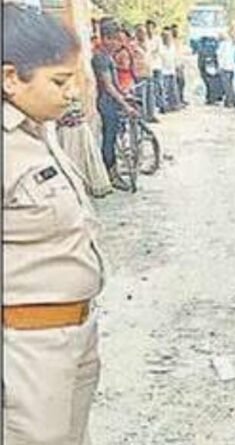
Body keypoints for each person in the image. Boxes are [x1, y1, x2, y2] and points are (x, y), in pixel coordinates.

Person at [3, 5, 107, 444]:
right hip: (27, 347)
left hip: (74, 335)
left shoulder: (38, 134)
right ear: (11, 79)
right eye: (59, 82)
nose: (72, 93)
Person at [92, 19, 138, 191]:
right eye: (116, 40)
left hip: (112, 102)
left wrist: (125, 96)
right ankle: (111, 175)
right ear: (106, 39)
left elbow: (115, 83)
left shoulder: (107, 57)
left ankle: (112, 172)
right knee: (109, 141)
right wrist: (125, 105)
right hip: (106, 104)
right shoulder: (100, 58)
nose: (119, 44)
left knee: (112, 138)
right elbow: (108, 86)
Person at [133, 24, 157, 122]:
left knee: (150, 95)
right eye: (140, 32)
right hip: (139, 73)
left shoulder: (148, 44)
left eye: (144, 32)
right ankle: (142, 117)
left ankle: (151, 115)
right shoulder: (133, 45)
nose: (143, 34)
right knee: (141, 96)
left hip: (148, 72)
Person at [145, 19, 165, 114]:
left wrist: (151, 52)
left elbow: (159, 51)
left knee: (159, 85)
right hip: (147, 66)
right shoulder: (144, 39)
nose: (149, 29)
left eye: (151, 28)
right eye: (147, 27)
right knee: (150, 87)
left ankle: (162, 104)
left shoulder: (157, 39)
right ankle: (151, 107)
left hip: (157, 65)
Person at [160, 27, 179, 112]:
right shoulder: (161, 47)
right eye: (165, 36)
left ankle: (173, 105)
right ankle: (165, 106)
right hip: (163, 71)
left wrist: (177, 67)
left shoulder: (173, 47)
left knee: (173, 89)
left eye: (168, 36)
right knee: (164, 90)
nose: (167, 38)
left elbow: (175, 58)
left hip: (172, 70)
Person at [218, 32, 235, 109]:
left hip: (229, 68)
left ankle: (231, 101)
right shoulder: (226, 45)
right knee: (228, 85)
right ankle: (231, 101)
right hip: (226, 67)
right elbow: (220, 55)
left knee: (228, 85)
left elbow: (219, 55)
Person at [113, 29, 136, 95]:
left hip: (124, 80)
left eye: (121, 39)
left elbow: (126, 67)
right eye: (117, 38)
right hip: (119, 78)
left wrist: (113, 65)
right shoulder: (117, 51)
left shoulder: (124, 52)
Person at [170, 25, 188, 107]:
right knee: (175, 84)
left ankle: (181, 98)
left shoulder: (179, 41)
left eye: (177, 31)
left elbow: (181, 53)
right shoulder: (170, 41)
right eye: (174, 31)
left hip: (180, 64)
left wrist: (182, 63)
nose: (176, 32)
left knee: (182, 83)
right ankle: (176, 101)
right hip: (173, 65)